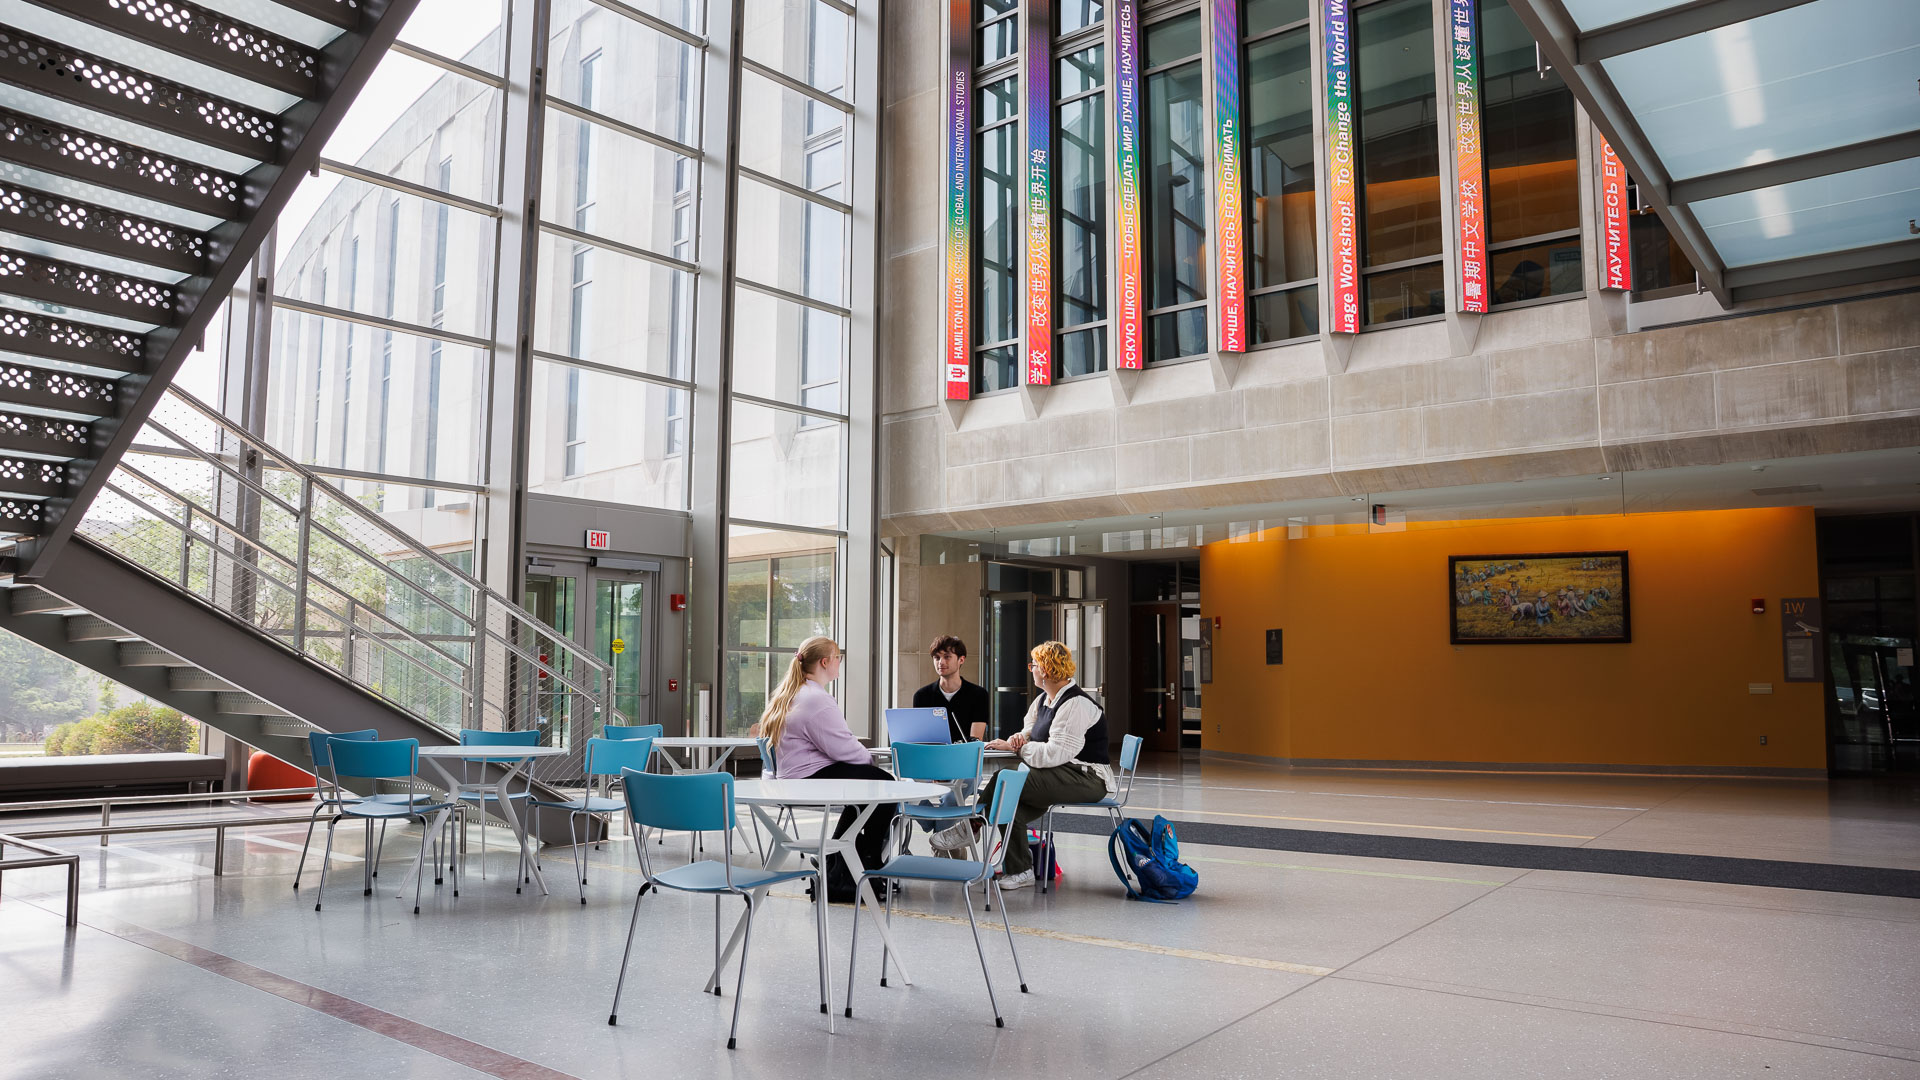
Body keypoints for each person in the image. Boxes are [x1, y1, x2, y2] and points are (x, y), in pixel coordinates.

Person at [930, 640, 1113, 890]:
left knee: (1006, 781)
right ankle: (1020, 870)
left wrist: (1016, 747)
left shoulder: (1075, 705)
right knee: (1009, 802)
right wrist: (1020, 737)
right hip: (1059, 773)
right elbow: (1031, 730)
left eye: (1033, 665)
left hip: (1087, 778)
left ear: (1046, 670)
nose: (1031, 669)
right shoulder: (1043, 700)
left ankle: (971, 825)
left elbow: (1053, 754)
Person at [758, 635, 896, 904]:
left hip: (793, 776)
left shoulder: (795, 692)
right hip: (808, 778)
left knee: (861, 798)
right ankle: (869, 860)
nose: (839, 663)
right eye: (837, 658)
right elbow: (843, 748)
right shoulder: (816, 699)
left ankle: (836, 859)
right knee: (884, 784)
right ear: (825, 662)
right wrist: (869, 760)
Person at [911, 635, 989, 742]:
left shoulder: (978, 694)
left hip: (965, 756)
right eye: (937, 658)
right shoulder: (922, 696)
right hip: (931, 756)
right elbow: (921, 737)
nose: (941, 662)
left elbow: (975, 741)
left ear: (961, 660)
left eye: (947, 657)